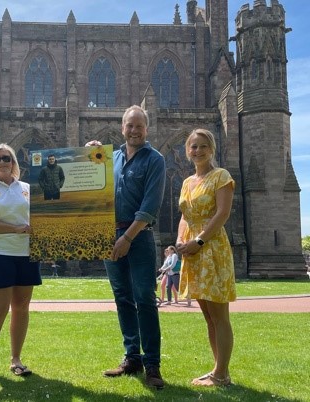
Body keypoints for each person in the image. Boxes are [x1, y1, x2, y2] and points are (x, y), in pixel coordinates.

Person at [87, 105, 166, 389]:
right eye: (129, 125)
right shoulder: (113, 158)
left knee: (144, 297)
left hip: (138, 237)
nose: (134, 130)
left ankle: (152, 364)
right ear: (122, 127)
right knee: (122, 298)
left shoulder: (155, 160)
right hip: (110, 234)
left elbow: (149, 207)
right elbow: (90, 184)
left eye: (139, 126)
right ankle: (132, 358)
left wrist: (127, 238)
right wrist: (88, 154)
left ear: (147, 128)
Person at [0, 144, 42, 380]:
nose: (3, 162)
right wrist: (15, 229)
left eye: (7, 158)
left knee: (22, 308)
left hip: (26, 254)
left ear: (14, 162)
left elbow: (42, 217)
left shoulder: (27, 189)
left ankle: (16, 360)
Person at [175, 128, 236, 387]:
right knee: (208, 315)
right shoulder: (188, 182)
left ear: (212, 148)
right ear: (187, 151)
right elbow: (185, 215)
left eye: (202, 146)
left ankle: (222, 374)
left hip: (211, 248)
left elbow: (222, 213)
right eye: (193, 146)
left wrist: (199, 240)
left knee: (219, 314)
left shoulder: (221, 176)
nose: (197, 151)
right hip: (192, 250)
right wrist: (181, 240)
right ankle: (217, 370)